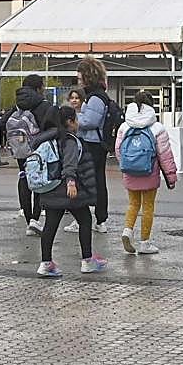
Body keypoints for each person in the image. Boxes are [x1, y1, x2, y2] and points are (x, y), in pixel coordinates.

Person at [34, 106, 107, 277]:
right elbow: (70, 163)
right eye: (76, 119)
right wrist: (71, 182)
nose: (78, 122)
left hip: (50, 188)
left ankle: (45, 263)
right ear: (69, 121)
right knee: (86, 220)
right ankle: (87, 261)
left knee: (50, 226)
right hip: (68, 190)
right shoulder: (70, 140)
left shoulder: (46, 140)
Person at [116, 91, 178, 255]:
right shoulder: (157, 127)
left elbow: (118, 150)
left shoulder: (125, 126)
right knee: (148, 206)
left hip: (129, 171)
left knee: (133, 204)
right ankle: (145, 243)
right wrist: (171, 177)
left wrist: (126, 165)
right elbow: (165, 155)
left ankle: (127, 231)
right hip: (149, 171)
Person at [8, 74, 52, 235]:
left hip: (20, 148)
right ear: (39, 87)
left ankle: (28, 220)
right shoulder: (42, 104)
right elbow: (50, 125)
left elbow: (3, 122)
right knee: (38, 180)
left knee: (23, 178)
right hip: (37, 149)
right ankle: (35, 219)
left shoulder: (18, 104)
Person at [73, 57, 112, 233]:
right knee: (97, 179)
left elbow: (90, 121)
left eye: (80, 78)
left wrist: (73, 119)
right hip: (97, 143)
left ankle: (87, 218)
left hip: (91, 143)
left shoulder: (95, 97)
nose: (79, 81)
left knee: (86, 180)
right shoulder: (99, 95)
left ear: (88, 76)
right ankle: (100, 218)